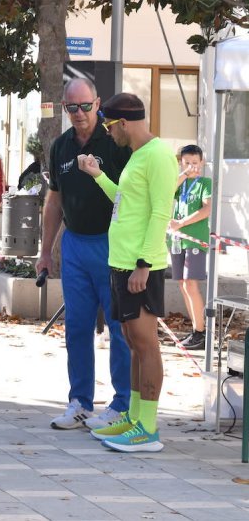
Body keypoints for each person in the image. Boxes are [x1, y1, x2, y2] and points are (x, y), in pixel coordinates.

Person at [77, 93, 177, 452]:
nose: (108, 133)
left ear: (122, 123)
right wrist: (99, 176)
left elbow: (160, 214)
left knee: (146, 344)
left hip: (139, 266)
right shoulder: (138, 156)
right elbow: (127, 202)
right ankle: (134, 419)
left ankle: (147, 429)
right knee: (133, 343)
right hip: (122, 263)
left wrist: (144, 265)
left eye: (108, 125)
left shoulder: (159, 156)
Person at [36, 77, 132, 432]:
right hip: (74, 243)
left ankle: (122, 404)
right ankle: (80, 402)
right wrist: (46, 251)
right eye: (71, 107)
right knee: (76, 325)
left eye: (85, 106)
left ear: (98, 102)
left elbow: (131, 197)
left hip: (111, 242)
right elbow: (54, 201)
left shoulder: (116, 142)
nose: (79, 114)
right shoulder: (60, 146)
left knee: (119, 327)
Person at [168, 144, 212, 350]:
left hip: (194, 240)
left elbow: (206, 210)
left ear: (202, 163)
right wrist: (184, 175)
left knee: (191, 284)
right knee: (183, 285)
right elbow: (167, 191)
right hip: (177, 240)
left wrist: (181, 223)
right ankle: (195, 329)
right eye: (187, 163)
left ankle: (201, 332)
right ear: (181, 163)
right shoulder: (180, 183)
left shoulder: (205, 183)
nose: (192, 167)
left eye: (195, 163)